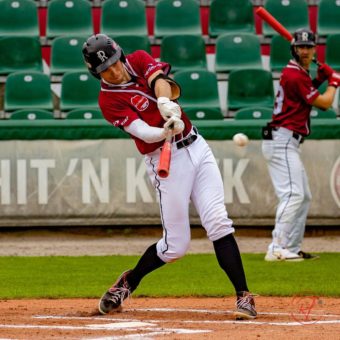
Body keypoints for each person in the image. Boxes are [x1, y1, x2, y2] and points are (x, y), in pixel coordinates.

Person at [82, 33, 256, 320]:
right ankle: (129, 281)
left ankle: (244, 296)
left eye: (114, 62)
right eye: (105, 69)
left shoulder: (137, 59)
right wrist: (163, 131)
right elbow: (140, 131)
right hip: (165, 160)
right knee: (176, 246)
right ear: (95, 72)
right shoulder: (107, 100)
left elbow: (159, 80)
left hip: (197, 147)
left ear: (120, 54)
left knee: (217, 221)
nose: (114, 71)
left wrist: (164, 103)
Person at [262, 28, 340, 261]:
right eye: (300, 47)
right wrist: (333, 82)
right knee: (293, 195)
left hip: (287, 141)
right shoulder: (295, 75)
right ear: (293, 49)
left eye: (308, 47)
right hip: (282, 140)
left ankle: (292, 247)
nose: (305, 51)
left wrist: (319, 78)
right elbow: (325, 103)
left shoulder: (299, 74)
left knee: (303, 196)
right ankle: (277, 248)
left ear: (315, 49)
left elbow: (304, 96)